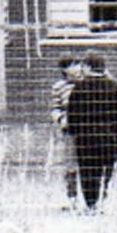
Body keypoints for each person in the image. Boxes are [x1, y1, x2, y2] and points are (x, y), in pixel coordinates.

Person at [66, 51, 117, 211]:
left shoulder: (79, 88)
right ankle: (104, 199)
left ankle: (91, 203)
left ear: (88, 67)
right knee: (105, 169)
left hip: (85, 138)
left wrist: (74, 132)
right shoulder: (113, 87)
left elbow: (72, 114)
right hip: (108, 136)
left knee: (88, 171)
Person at [50, 56, 83, 203]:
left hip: (86, 127)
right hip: (70, 129)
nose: (76, 68)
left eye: (77, 64)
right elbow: (55, 108)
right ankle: (72, 197)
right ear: (64, 70)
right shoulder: (59, 87)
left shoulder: (86, 84)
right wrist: (60, 118)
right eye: (72, 65)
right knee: (70, 163)